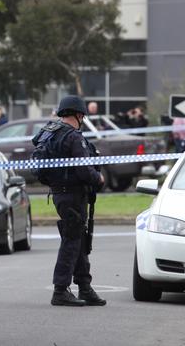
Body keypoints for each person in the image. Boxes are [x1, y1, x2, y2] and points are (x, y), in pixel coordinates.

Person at [32, 95, 106, 307]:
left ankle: (84, 286)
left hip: (58, 193)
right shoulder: (74, 137)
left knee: (78, 239)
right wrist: (98, 179)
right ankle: (60, 289)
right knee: (72, 240)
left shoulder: (50, 132)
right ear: (79, 114)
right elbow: (84, 170)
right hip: (73, 194)